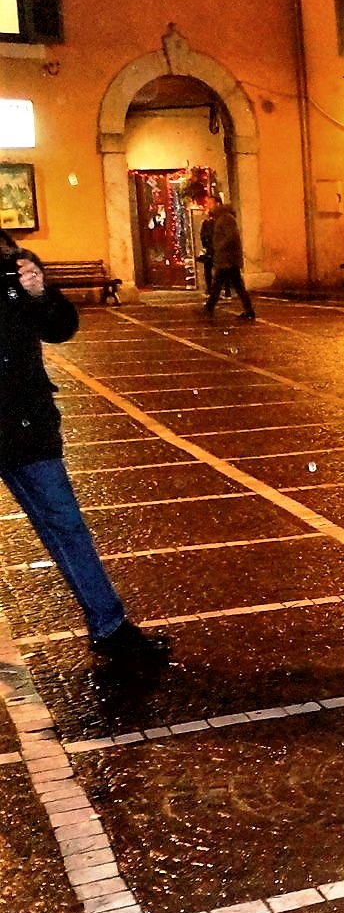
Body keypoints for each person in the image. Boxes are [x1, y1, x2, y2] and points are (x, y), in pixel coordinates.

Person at [0, 238, 170, 666]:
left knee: (67, 527)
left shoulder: (11, 262)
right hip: (23, 424)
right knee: (66, 527)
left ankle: (109, 626)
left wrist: (40, 293)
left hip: (26, 427)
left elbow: (60, 329)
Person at [203, 196, 255, 320]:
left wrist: (219, 247)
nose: (208, 206)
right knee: (236, 285)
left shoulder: (226, 218)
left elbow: (232, 236)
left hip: (227, 258)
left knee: (218, 284)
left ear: (217, 204)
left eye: (210, 203)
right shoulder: (220, 218)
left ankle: (209, 308)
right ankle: (249, 310)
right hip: (226, 258)